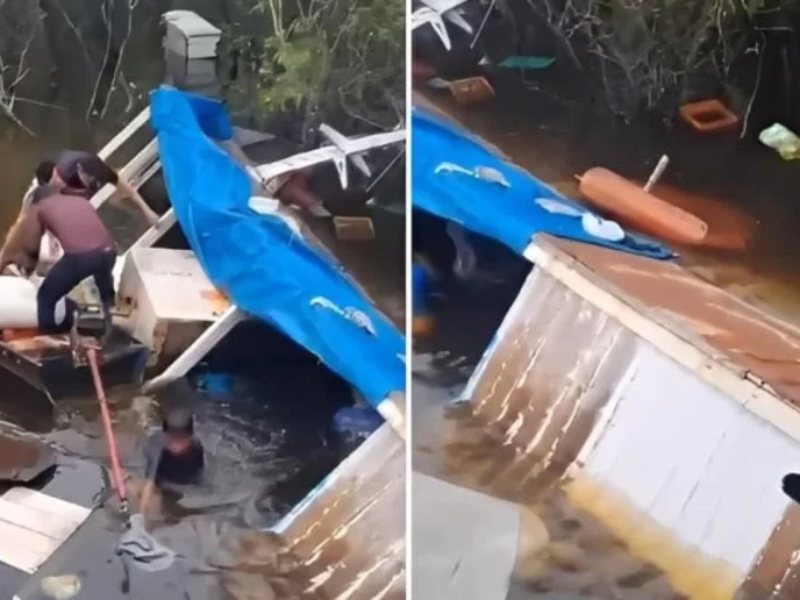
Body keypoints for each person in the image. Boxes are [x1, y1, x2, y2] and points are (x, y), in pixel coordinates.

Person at [0, 185, 117, 335]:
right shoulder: (78, 203)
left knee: (50, 298)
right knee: (99, 282)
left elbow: (34, 247)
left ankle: (50, 333)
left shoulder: (42, 213)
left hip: (77, 261)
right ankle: (108, 313)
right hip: (108, 251)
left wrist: (31, 271)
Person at [32, 150, 159, 225]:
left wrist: (146, 211)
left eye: (59, 178)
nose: (60, 182)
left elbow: (121, 184)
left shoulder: (93, 167)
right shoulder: (59, 184)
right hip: (69, 179)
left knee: (119, 196)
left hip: (91, 173)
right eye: (56, 183)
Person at [139, 407, 204, 520]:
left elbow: (199, 473)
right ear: (166, 436)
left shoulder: (196, 446)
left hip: (183, 469)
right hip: (162, 469)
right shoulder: (158, 447)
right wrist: (140, 517)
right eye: (172, 439)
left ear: (190, 437)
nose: (176, 446)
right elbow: (149, 483)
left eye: (181, 440)